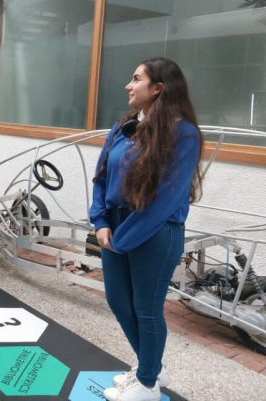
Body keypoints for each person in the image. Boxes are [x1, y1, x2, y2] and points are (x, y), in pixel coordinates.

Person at [90, 57, 203, 401]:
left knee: (146, 309)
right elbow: (101, 178)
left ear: (158, 89)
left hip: (156, 232)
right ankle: (150, 368)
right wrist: (101, 222)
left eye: (136, 79)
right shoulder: (123, 126)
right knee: (118, 301)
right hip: (116, 229)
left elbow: (166, 199)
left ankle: (148, 383)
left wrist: (121, 240)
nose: (128, 85)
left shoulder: (185, 134)